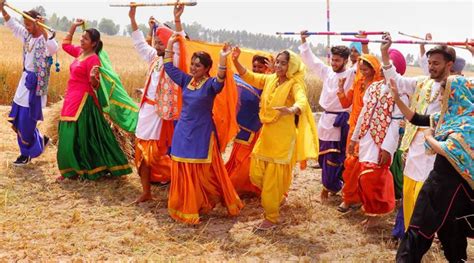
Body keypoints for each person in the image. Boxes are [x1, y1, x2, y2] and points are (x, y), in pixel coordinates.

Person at [233, 46, 319, 230]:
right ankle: (277, 195)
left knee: (272, 180)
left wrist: (292, 109)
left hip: (283, 138)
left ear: (291, 65)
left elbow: (302, 100)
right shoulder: (271, 79)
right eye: (277, 62)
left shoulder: (295, 83)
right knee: (256, 173)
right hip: (267, 135)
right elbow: (250, 77)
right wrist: (235, 61)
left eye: (283, 63)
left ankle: (271, 218)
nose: (278, 66)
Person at [391, 75, 473, 263]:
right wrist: (397, 99)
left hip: (450, 189)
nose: (440, 99)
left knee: (431, 230)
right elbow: (416, 118)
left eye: (443, 95)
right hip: (440, 183)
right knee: (427, 230)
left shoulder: (468, 123)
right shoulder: (445, 118)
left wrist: (429, 138)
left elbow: (449, 149)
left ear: (455, 96)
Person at [164, 36, 243, 224]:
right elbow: (168, 67)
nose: (193, 68)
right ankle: (184, 204)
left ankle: (203, 200)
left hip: (202, 132)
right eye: (192, 64)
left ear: (207, 69)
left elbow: (221, 81)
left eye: (198, 65)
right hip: (183, 130)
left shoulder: (210, 85)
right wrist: (169, 45)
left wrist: (223, 59)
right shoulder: (186, 80)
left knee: (201, 170)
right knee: (182, 166)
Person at [381, 33, 455, 231]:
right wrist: (384, 54)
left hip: (436, 152)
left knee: (429, 203)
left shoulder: (456, 89)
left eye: (436, 63)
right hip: (413, 150)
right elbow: (396, 80)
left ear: (449, 65)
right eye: (429, 62)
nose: (431, 67)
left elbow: (426, 120)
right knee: (410, 199)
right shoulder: (423, 82)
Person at [57, 19, 133, 180]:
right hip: (71, 97)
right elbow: (65, 45)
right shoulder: (80, 52)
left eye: (85, 38)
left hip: (83, 100)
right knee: (66, 132)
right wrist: (73, 27)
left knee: (80, 135)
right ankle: (69, 169)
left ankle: (82, 168)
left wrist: (93, 79)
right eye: (82, 37)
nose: (81, 40)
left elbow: (96, 85)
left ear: (94, 43)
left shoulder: (93, 59)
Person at [128, 3, 186, 203]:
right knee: (142, 154)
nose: (158, 46)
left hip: (163, 114)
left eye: (162, 42)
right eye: (157, 43)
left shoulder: (174, 61)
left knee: (161, 154)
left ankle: (178, 189)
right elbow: (140, 44)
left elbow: (180, 43)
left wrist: (176, 19)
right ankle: (146, 193)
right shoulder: (154, 58)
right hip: (146, 111)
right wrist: (132, 19)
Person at [299, 30, 355, 202]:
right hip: (325, 121)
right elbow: (312, 61)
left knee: (334, 157)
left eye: (338, 60)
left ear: (346, 60)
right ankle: (332, 185)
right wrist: (303, 40)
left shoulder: (351, 74)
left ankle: (330, 187)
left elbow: (364, 65)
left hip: (340, 122)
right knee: (323, 157)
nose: (334, 63)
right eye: (332, 59)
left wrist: (363, 42)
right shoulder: (327, 72)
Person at [1, 1, 59, 166]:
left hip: (36, 87)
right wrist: (2, 8)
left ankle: (27, 153)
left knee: (27, 122)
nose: (26, 27)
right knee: (19, 120)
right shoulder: (26, 35)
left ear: (37, 23)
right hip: (23, 84)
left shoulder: (45, 37)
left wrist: (42, 28)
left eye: (29, 24)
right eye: (25, 24)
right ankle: (35, 145)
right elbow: (12, 25)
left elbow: (54, 49)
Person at [349, 70, 408, 228]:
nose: (383, 71)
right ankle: (370, 213)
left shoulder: (401, 92)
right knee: (364, 176)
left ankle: (376, 215)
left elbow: (396, 122)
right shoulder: (373, 87)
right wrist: (354, 139)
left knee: (375, 177)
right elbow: (363, 112)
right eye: (383, 67)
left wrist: (387, 148)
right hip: (366, 138)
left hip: (382, 141)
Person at [336, 54, 383, 212]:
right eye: (360, 69)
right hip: (354, 128)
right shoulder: (358, 83)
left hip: (371, 132)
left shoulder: (379, 86)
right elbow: (345, 103)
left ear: (374, 68)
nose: (363, 72)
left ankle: (364, 201)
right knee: (350, 164)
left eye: (366, 69)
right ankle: (349, 198)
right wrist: (341, 89)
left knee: (365, 166)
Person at [225, 54, 273, 196]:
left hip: (258, 127)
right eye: (254, 66)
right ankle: (239, 185)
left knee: (251, 159)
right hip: (243, 126)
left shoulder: (269, 82)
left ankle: (249, 185)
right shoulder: (243, 79)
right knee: (239, 156)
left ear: (266, 68)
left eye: (260, 67)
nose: (257, 69)